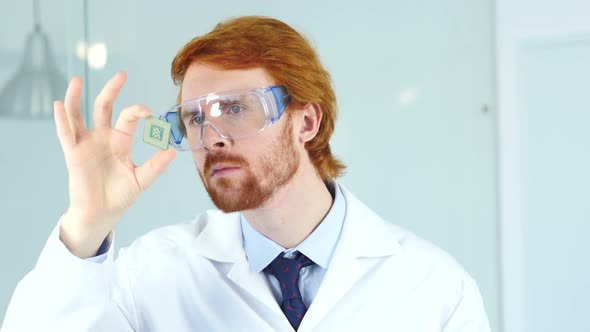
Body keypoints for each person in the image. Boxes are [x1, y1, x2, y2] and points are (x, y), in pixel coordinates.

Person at [1, 16, 490, 332]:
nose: (211, 135)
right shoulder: (150, 275)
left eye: (234, 108)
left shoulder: (433, 290)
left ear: (306, 121)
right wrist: (86, 223)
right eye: (194, 118)